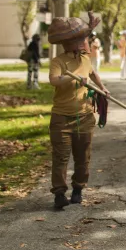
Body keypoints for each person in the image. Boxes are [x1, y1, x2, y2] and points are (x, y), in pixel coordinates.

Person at [47, 12, 109, 209]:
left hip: (84, 117)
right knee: (61, 158)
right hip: (61, 119)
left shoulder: (85, 59)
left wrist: (103, 87)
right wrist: (72, 78)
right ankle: (59, 194)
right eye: (82, 39)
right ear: (70, 43)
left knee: (83, 157)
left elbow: (93, 74)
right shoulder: (58, 62)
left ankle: (78, 189)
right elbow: (54, 80)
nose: (86, 42)